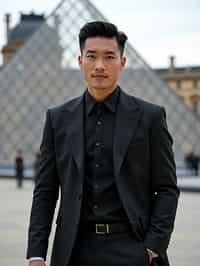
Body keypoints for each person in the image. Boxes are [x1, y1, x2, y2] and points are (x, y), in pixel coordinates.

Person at [27, 21, 179, 266]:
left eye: (109, 56)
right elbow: (45, 191)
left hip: (133, 249)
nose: (99, 65)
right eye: (91, 56)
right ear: (80, 61)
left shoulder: (150, 117)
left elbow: (167, 188)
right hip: (74, 250)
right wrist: (36, 254)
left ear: (122, 62)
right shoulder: (57, 119)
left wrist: (153, 246)